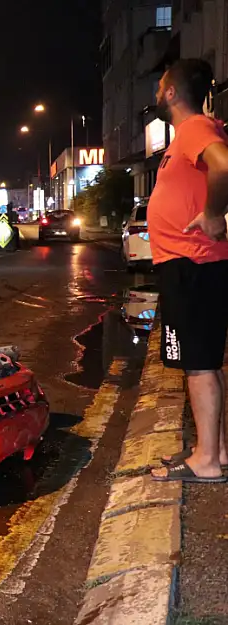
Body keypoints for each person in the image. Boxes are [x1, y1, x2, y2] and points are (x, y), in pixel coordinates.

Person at [148, 59, 228, 483]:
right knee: (206, 362)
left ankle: (207, 463)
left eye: (160, 87)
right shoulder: (189, 134)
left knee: (197, 365)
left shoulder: (196, 127)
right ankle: (215, 450)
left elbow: (225, 165)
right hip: (192, 264)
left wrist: (214, 214)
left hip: (191, 264)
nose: (157, 94)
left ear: (172, 93)